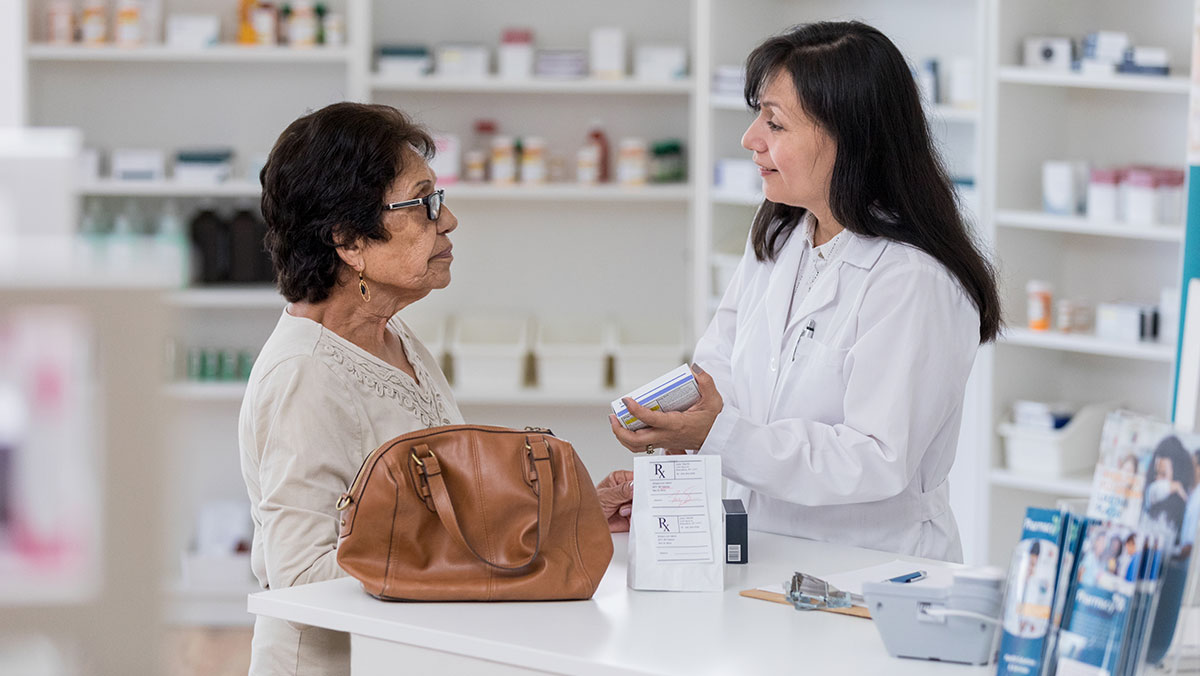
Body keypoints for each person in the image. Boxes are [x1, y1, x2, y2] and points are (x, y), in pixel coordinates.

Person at [606, 21, 1000, 562]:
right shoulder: (783, 234)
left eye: (775, 123)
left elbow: (875, 458)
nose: (751, 139)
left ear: (849, 137)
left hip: (873, 567)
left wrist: (716, 434)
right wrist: (670, 454)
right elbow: (717, 373)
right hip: (764, 551)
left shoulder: (914, 280)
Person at [238, 102, 464, 675]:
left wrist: (560, 507)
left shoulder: (391, 335)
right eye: (424, 203)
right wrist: (465, 550)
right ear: (349, 239)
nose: (449, 220)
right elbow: (302, 579)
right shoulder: (303, 373)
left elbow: (445, 493)